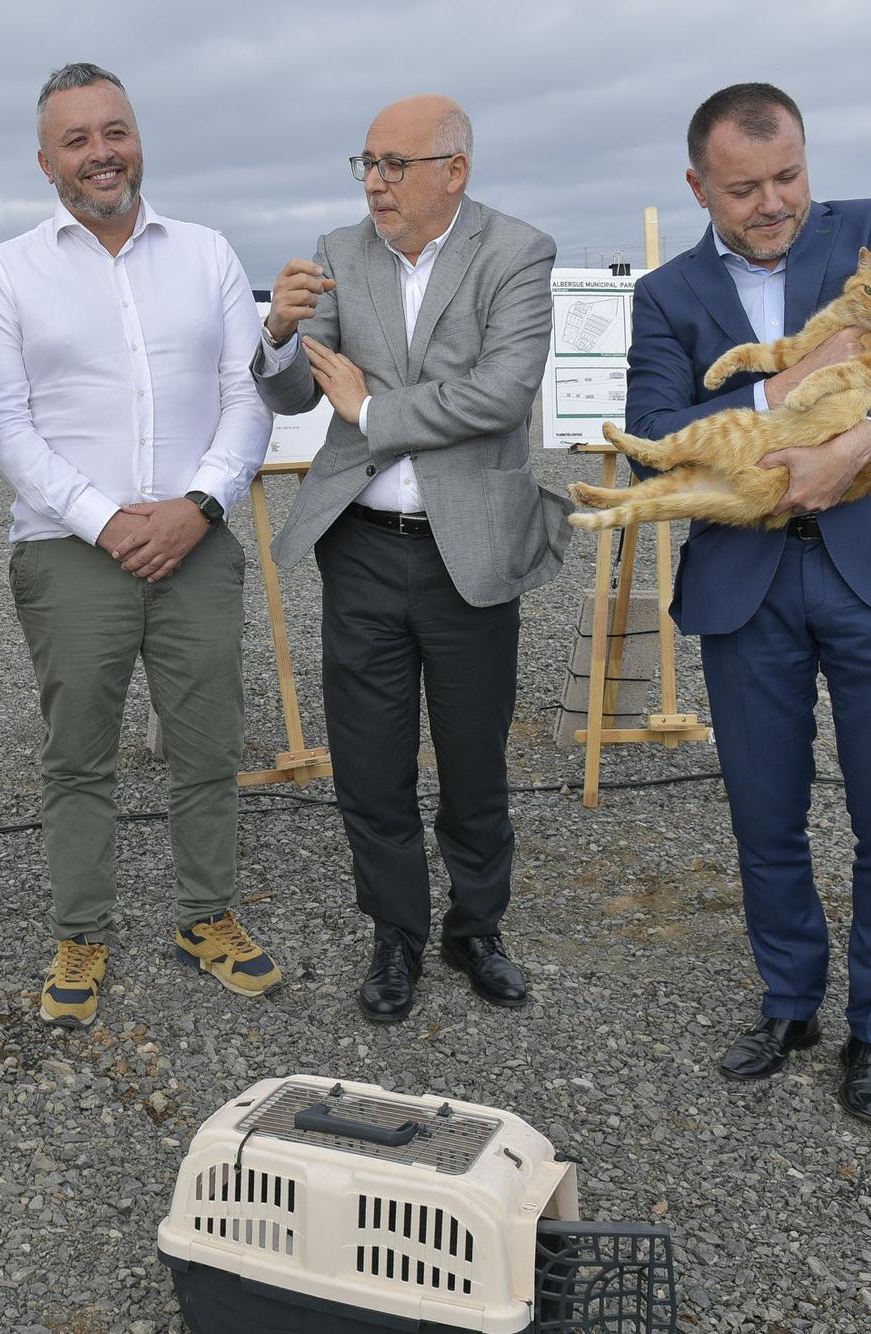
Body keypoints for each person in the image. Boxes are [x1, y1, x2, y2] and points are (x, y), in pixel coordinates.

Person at [623, 83, 871, 1125]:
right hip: (748, 582)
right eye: (742, 188)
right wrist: (772, 395)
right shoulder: (663, 294)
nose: (772, 202)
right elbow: (652, 421)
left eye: (786, 175)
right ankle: (789, 1001)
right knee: (763, 816)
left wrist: (857, 444)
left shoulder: (870, 232)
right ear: (697, 186)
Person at [0, 62, 278, 1028]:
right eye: (78, 139)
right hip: (69, 550)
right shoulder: (8, 271)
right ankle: (82, 926)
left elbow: (247, 394)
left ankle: (207, 914)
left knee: (206, 740)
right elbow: (4, 422)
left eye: (116, 131)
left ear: (137, 137)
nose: (102, 153)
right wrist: (105, 519)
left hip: (200, 538)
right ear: (47, 160)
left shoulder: (209, 255)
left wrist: (200, 505)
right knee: (79, 752)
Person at [253, 94, 558, 1024]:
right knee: (370, 764)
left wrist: (374, 410)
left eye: (394, 165)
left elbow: (500, 396)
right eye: (368, 164)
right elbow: (302, 387)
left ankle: (476, 929)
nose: (376, 184)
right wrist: (276, 334)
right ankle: (395, 934)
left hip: (470, 553)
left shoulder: (517, 253)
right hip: (363, 551)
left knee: (473, 762)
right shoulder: (342, 252)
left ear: (452, 171)